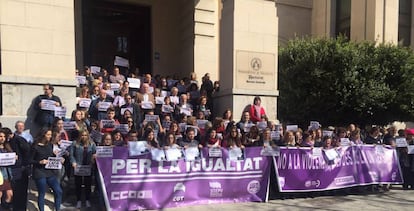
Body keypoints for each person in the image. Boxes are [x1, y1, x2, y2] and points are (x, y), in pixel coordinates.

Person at [30, 128, 63, 211]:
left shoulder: (50, 145)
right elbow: (29, 160)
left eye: (50, 135)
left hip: (49, 171)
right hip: (39, 171)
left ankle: (57, 208)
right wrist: (39, 162)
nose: (50, 136)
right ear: (43, 135)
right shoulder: (35, 146)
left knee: (58, 191)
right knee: (42, 192)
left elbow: (51, 157)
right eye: (48, 135)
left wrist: (58, 158)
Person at [70, 130, 97, 209]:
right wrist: (73, 162)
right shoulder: (75, 143)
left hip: (88, 167)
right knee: (78, 184)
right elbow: (71, 155)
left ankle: (87, 199)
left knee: (87, 184)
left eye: (85, 135)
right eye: (82, 135)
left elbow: (95, 153)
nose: (84, 137)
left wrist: (93, 159)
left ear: (88, 136)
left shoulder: (92, 144)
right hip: (78, 167)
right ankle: (78, 200)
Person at [6, 126, 31, 211]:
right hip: (15, 169)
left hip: (21, 169)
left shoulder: (19, 140)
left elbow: (27, 152)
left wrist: (23, 164)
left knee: (20, 191)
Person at [0, 129, 14, 210]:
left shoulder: (7, 147)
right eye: (0, 136)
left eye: (4, 136)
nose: (2, 138)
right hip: (0, 175)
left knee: (10, 195)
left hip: (7, 174)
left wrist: (14, 157)